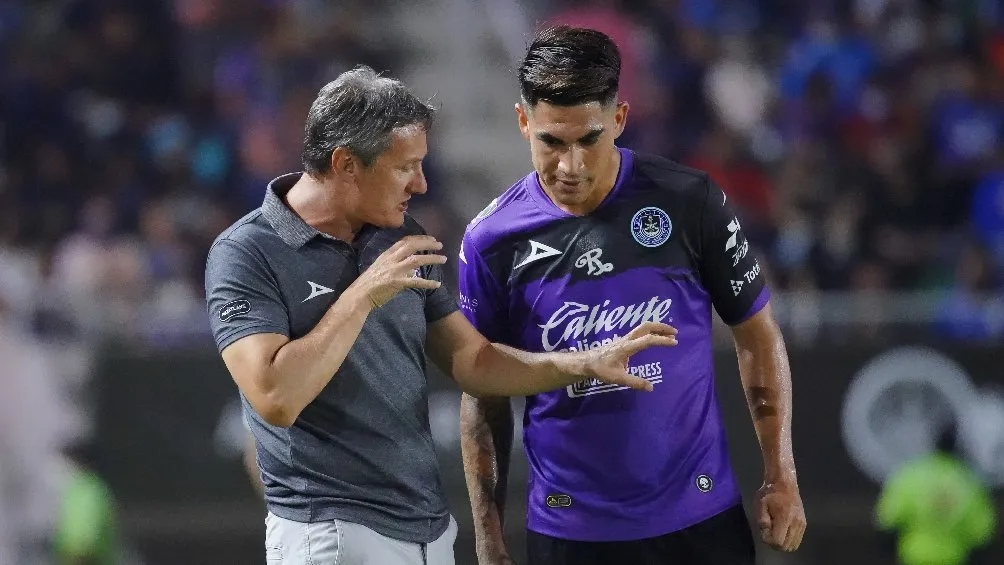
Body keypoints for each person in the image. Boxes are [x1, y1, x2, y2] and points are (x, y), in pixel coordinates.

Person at [203, 65, 678, 565]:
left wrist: (582, 362)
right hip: (330, 535)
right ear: (346, 164)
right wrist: (363, 294)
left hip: (427, 531)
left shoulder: (398, 235)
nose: (422, 183)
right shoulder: (246, 252)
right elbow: (275, 397)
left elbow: (472, 361)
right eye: (405, 167)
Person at [458, 26, 806, 565]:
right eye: (552, 142)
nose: (570, 166)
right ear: (523, 122)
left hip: (701, 522)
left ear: (619, 118)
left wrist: (780, 474)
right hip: (570, 533)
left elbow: (757, 334)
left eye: (588, 140)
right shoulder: (491, 240)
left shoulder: (689, 201)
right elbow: (482, 391)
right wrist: (488, 538)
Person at [875, 425, 996, 565]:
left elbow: (888, 518)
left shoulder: (911, 476)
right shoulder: (970, 481)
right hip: (952, 557)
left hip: (914, 556)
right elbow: (982, 531)